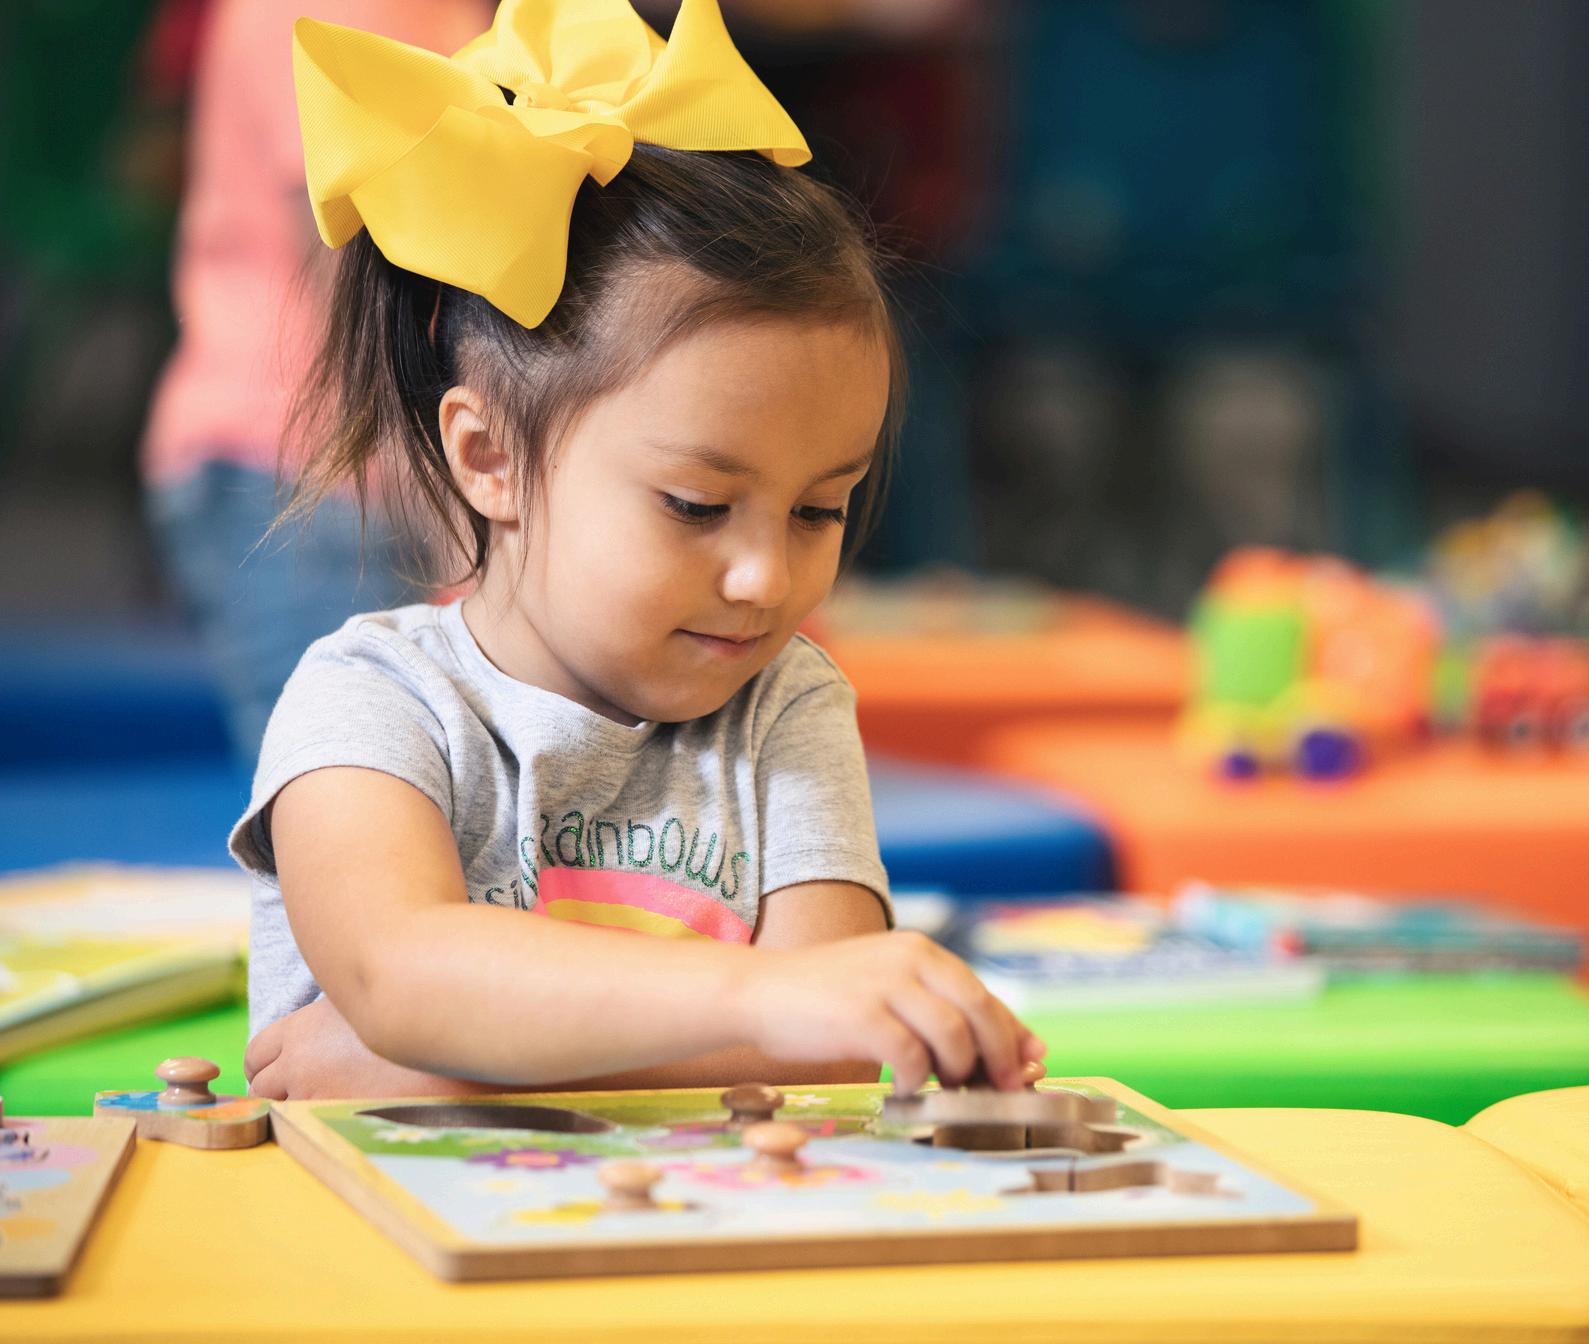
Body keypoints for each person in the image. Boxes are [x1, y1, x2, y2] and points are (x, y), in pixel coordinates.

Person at [230, 0, 1044, 1101]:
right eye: (697, 506)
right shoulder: (371, 701)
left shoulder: (787, 707)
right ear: (489, 457)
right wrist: (762, 1004)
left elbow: (835, 1035)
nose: (766, 578)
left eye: (818, 510)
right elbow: (399, 974)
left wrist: (452, 1071)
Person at [142, 0, 491, 768]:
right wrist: (450, 517)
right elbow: (352, 267)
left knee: (408, 785)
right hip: (313, 464)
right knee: (352, 789)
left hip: (352, 457)